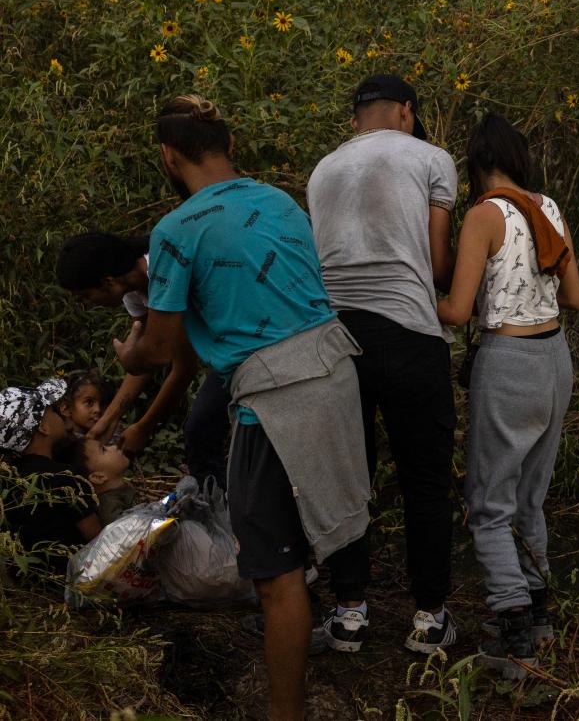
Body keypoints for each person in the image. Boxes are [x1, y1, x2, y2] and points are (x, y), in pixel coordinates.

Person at [112, 95, 368, 721]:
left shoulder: (176, 231)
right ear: (227, 147)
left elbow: (167, 347)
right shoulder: (278, 200)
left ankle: (286, 713)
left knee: (276, 578)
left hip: (273, 404)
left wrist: (130, 355)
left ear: (170, 156)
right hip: (337, 376)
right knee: (313, 546)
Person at [307, 74, 460, 656]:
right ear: (406, 113)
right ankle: (429, 619)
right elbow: (439, 265)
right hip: (409, 334)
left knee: (349, 480)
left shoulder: (322, 170)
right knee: (425, 482)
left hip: (336, 337)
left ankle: (349, 615)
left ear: (355, 120)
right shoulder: (431, 157)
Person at [437, 113, 579, 680]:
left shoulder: (483, 214)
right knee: (530, 499)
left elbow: (454, 309)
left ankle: (514, 635)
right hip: (555, 362)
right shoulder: (547, 208)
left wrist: (406, 307)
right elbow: (576, 297)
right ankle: (539, 618)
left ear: (476, 163)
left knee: (489, 507)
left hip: (509, 365)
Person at [56, 231, 227, 485]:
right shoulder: (133, 291)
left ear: (107, 281)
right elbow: (145, 359)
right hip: (224, 350)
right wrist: (107, 420)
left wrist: (145, 427)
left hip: (248, 344)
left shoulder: (161, 275)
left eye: (85, 296)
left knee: (200, 431)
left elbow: (182, 366)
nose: (87, 304)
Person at [0, 379, 102, 564]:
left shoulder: (9, 481)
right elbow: (98, 539)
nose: (60, 415)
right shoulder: (65, 477)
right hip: (72, 579)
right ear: (43, 427)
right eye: (53, 411)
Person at [53, 433, 138, 524]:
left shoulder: (121, 489)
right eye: (104, 450)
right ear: (98, 477)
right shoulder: (108, 505)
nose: (114, 447)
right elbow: (127, 532)